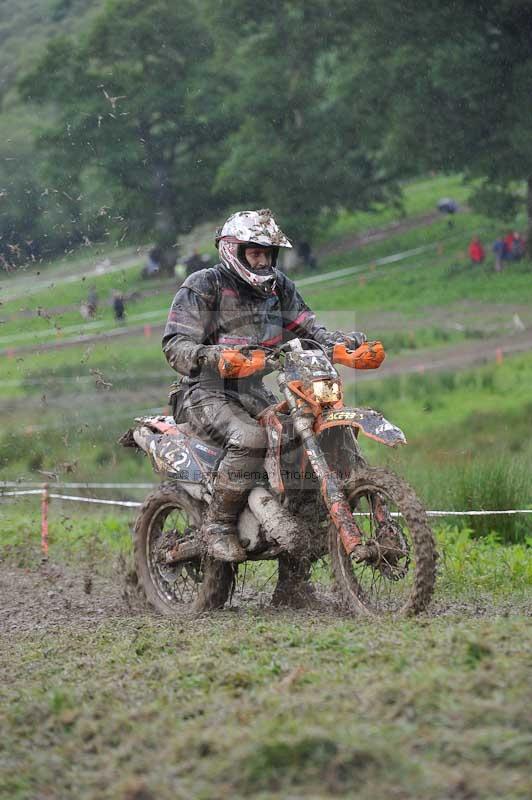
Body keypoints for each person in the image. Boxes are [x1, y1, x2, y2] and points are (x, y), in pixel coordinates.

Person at [162, 209, 366, 564]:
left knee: (300, 440)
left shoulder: (279, 287)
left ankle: (293, 579)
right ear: (233, 251)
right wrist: (215, 356)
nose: (262, 260)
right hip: (203, 391)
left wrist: (344, 345)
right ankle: (218, 526)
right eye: (254, 252)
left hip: (255, 391)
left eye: (268, 253)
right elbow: (174, 344)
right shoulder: (204, 285)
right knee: (251, 438)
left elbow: (309, 328)